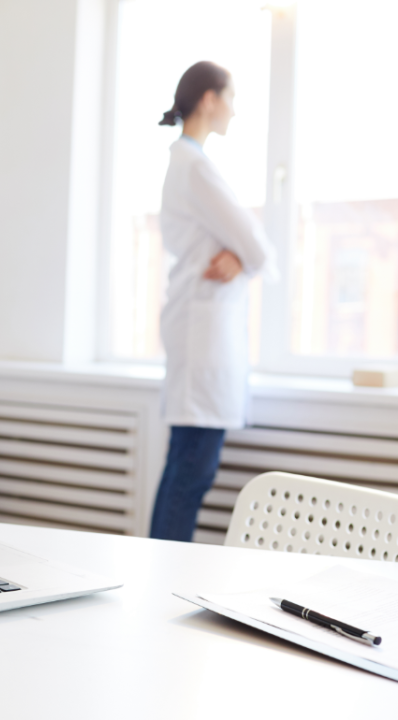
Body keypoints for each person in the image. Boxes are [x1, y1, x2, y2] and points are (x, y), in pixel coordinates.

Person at [149, 61, 277, 542]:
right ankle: (162, 580)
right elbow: (257, 243)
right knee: (190, 475)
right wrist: (246, 257)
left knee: (184, 470)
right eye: (231, 98)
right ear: (209, 99)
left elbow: (246, 248)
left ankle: (159, 574)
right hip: (202, 341)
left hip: (196, 332)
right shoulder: (195, 165)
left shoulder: (184, 161)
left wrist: (240, 259)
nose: (234, 110)